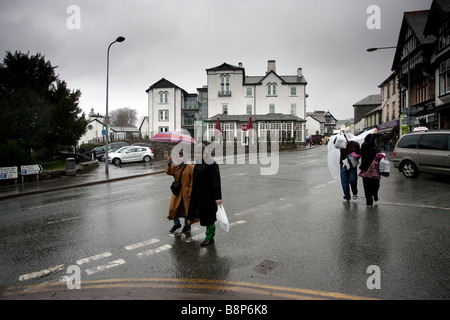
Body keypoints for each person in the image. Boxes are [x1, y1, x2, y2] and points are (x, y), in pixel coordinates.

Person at [188, 144, 222, 246]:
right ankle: (208, 232)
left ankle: (210, 237)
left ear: (205, 153)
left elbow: (216, 181)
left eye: (199, 153)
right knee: (201, 215)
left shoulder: (211, 163)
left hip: (209, 196)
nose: (197, 155)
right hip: (198, 195)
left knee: (209, 217)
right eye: (196, 153)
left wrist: (218, 197)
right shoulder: (198, 163)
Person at [165, 151, 194, 234]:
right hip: (177, 192)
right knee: (173, 209)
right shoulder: (175, 167)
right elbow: (168, 172)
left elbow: (193, 181)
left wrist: (190, 192)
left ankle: (187, 225)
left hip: (186, 192)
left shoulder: (190, 167)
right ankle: (177, 224)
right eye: (177, 157)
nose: (178, 159)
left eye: (180, 157)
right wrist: (169, 162)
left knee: (186, 210)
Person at [339, 131, 361, 203]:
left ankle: (354, 192)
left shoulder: (355, 144)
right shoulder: (341, 144)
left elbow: (360, 153)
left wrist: (355, 157)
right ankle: (346, 196)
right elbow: (335, 143)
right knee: (344, 182)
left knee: (352, 180)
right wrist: (340, 134)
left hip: (352, 164)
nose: (347, 140)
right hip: (343, 164)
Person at [359, 134, 381, 207]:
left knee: (376, 184)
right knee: (367, 186)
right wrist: (374, 134)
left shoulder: (375, 146)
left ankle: (375, 194)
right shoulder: (365, 145)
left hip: (375, 169)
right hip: (366, 169)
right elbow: (370, 144)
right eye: (374, 139)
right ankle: (369, 201)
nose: (375, 141)